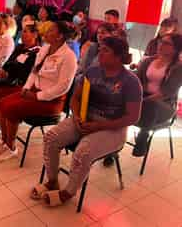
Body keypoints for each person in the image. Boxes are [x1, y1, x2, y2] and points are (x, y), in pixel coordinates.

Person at [31, 37, 142, 207]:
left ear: (118, 57)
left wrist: (100, 125)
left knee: (83, 152)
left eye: (105, 50)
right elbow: (75, 99)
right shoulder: (93, 72)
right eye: (101, 49)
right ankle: (52, 181)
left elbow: (133, 117)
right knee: (51, 138)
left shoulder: (131, 82)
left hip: (113, 128)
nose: (100, 52)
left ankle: (68, 192)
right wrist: (76, 117)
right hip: (84, 119)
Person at [0, 21, 78, 162]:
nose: (46, 32)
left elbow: (63, 87)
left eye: (51, 30)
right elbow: (34, 71)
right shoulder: (45, 49)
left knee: (11, 108)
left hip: (51, 101)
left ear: (59, 36)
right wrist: (26, 88)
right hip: (34, 91)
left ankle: (11, 148)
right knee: (1, 103)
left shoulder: (69, 57)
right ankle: (6, 141)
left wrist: (37, 96)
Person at [0, 25, 40, 139]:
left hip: (22, 83)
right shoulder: (20, 47)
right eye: (23, 32)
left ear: (35, 35)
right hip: (10, 78)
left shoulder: (37, 52)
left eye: (26, 32)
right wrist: (4, 70)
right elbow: (9, 61)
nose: (23, 34)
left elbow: (27, 71)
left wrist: (10, 72)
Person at [132, 34, 182, 157]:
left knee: (151, 104)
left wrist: (141, 101)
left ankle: (143, 134)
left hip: (164, 105)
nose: (161, 44)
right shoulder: (148, 60)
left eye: (166, 43)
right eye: (161, 41)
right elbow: (135, 81)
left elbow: (166, 93)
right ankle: (112, 149)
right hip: (143, 99)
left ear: (175, 49)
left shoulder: (178, 67)